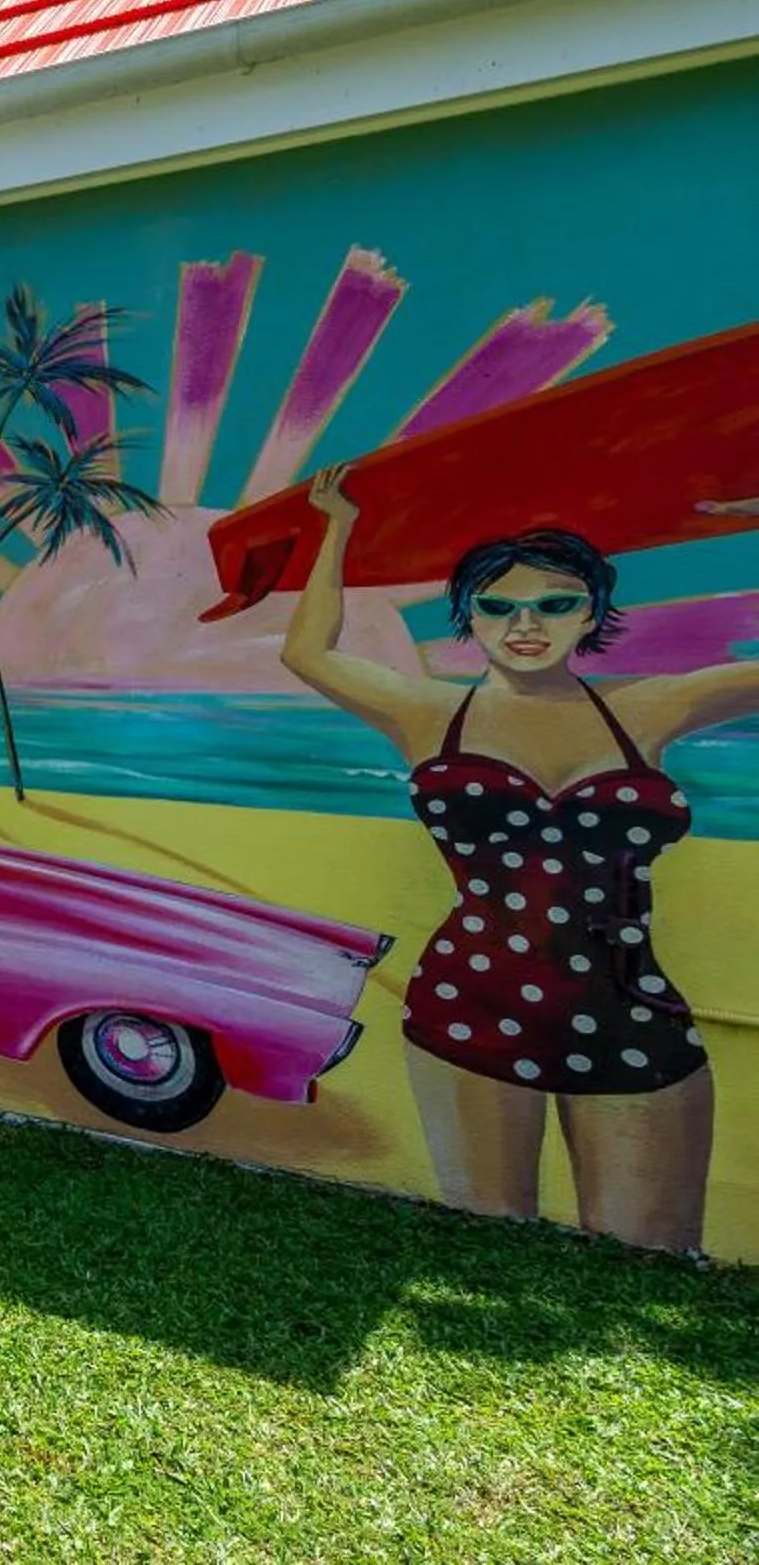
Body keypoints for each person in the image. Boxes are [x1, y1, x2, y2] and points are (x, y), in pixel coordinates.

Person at [280, 467, 759, 1251]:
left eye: (554, 605)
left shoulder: (647, 708)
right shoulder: (428, 712)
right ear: (469, 616)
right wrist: (338, 526)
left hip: (629, 1010)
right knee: (487, 1245)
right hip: (468, 1000)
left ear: (591, 612)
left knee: (656, 1256)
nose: (524, 625)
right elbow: (308, 652)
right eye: (497, 606)